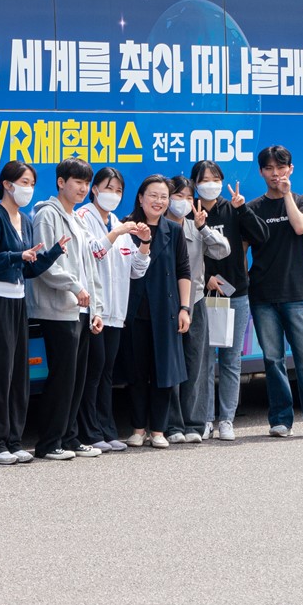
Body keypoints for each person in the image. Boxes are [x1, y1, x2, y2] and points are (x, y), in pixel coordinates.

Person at [0, 161, 67, 465]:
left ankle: (13, 441)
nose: (28, 188)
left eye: (32, 183)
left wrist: (52, 254)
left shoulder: (24, 220)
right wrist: (16, 255)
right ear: (7, 185)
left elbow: (28, 268)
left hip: (17, 301)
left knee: (18, 376)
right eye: (24, 182)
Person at [241, 144, 303, 438]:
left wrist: (286, 197)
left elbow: (299, 228)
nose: (275, 173)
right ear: (260, 172)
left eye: (280, 168)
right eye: (269, 168)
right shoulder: (254, 209)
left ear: (290, 170)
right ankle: (280, 419)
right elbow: (241, 250)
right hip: (262, 295)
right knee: (272, 360)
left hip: (296, 293)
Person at [28, 159, 105, 460]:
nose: (83, 188)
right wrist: (75, 287)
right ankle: (49, 443)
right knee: (62, 377)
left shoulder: (79, 219)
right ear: (61, 182)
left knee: (77, 377)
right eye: (77, 182)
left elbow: (90, 268)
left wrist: (96, 307)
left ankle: (70, 438)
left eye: (86, 183)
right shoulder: (47, 215)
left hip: (81, 309)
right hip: (59, 309)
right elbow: (46, 264)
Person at [76, 168, 152, 454]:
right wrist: (118, 231)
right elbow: (93, 251)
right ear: (94, 189)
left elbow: (136, 270)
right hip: (93, 310)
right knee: (92, 372)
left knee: (106, 372)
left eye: (119, 190)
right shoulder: (84, 217)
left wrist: (144, 243)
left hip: (115, 313)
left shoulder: (119, 223)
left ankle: (106, 430)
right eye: (108, 188)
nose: (114, 195)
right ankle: (89, 431)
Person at [120, 174, 191, 448]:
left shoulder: (173, 231)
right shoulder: (126, 227)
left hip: (167, 310)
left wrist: (185, 308)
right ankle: (138, 429)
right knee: (137, 373)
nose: (159, 201)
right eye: (153, 195)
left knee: (164, 372)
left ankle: (158, 430)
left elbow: (184, 270)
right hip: (133, 310)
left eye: (164, 197)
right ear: (140, 197)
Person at [192, 161, 252, 442]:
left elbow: (260, 236)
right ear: (195, 183)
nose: (210, 183)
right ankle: (204, 419)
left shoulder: (232, 209)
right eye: (204, 179)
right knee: (203, 360)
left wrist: (243, 208)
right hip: (202, 294)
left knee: (230, 360)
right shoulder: (190, 211)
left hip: (235, 293)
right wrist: (206, 279)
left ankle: (226, 419)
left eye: (215, 178)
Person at [166, 176, 213, 444]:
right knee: (171, 366)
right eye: (177, 196)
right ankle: (172, 425)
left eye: (187, 197)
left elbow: (222, 251)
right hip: (167, 305)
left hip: (194, 301)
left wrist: (204, 228)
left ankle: (194, 423)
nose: (182, 202)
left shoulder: (196, 227)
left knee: (196, 363)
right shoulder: (157, 227)